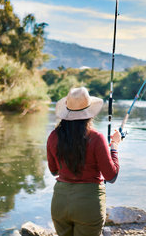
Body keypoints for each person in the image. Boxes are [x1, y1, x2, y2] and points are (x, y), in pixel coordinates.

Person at [47, 87, 121, 236]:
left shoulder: (53, 136)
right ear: (89, 113)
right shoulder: (96, 138)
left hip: (60, 202)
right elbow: (111, 176)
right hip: (88, 205)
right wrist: (114, 147)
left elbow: (54, 170)